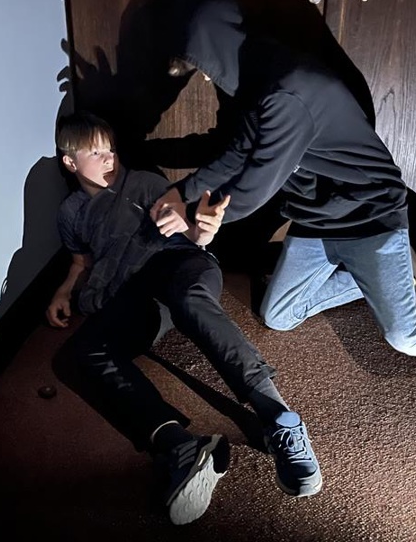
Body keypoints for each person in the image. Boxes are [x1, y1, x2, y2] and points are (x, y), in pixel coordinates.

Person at [150, 0, 416, 416]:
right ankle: (387, 277)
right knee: (279, 315)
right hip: (316, 220)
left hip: (369, 218)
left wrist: (207, 216)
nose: (205, 78)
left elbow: (259, 182)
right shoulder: (258, 83)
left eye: (204, 67)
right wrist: (182, 193)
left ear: (217, 48)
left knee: (405, 335)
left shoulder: (288, 92)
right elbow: (237, 153)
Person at [47, 111, 322, 526]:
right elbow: (80, 262)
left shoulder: (144, 183)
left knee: (189, 300)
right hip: (131, 289)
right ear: (70, 161)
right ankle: (177, 444)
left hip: (179, 263)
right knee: (88, 349)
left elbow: (191, 231)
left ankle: (279, 418)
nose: (109, 159)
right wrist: (64, 290)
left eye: (111, 150)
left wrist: (205, 230)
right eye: (96, 153)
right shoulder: (71, 212)